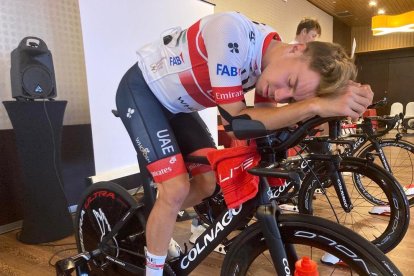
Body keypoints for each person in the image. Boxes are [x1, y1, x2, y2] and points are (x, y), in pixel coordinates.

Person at [115, 11, 373, 276]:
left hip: (179, 108)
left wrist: (334, 102)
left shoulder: (273, 63)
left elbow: (266, 119)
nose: (281, 94)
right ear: (296, 49)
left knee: (206, 184)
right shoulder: (230, 31)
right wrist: (315, 104)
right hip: (142, 92)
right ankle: (153, 269)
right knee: (176, 189)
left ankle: (156, 218)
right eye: (291, 82)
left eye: (294, 95)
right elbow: (236, 123)